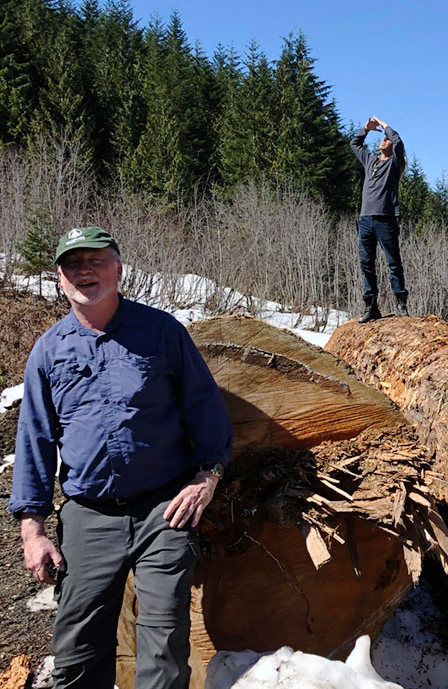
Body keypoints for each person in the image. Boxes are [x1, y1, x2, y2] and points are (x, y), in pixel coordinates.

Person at [9, 226, 233, 689]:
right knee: (76, 653)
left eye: (96, 260)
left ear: (119, 268)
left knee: (164, 649)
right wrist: (33, 530)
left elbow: (205, 406)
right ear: (59, 278)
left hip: (164, 511)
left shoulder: (161, 332)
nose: (84, 271)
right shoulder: (49, 351)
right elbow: (33, 440)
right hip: (89, 518)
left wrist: (208, 475)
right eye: (73, 264)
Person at [350, 115, 409, 323]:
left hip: (386, 219)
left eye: (386, 139)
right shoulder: (370, 161)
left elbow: (398, 141)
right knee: (366, 263)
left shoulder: (395, 164)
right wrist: (366, 128)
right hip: (365, 219)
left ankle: (401, 304)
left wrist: (384, 125)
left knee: (393, 262)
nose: (383, 140)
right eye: (382, 139)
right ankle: (371, 306)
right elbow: (354, 143)